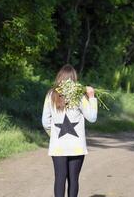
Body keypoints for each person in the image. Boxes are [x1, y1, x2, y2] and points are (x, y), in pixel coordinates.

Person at [41, 64, 98, 197]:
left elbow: (45, 121)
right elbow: (92, 118)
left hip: (58, 146)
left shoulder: (50, 95)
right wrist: (91, 97)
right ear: (74, 79)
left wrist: (53, 136)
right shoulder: (79, 96)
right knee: (73, 179)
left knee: (59, 179)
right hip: (76, 146)